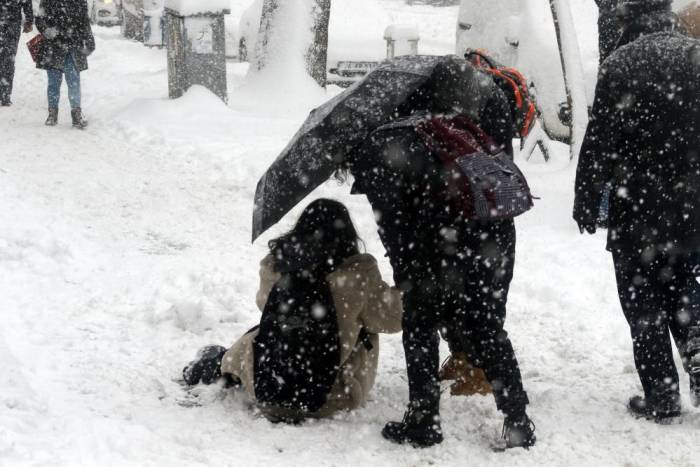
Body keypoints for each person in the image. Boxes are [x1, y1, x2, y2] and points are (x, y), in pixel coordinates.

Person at [345, 57, 535, 449]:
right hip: (486, 241)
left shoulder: (386, 139)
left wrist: (405, 266)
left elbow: (391, 219)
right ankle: (517, 418)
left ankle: (423, 418)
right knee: (486, 326)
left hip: (429, 244)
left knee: (420, 324)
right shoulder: (465, 131)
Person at [574, 0, 700, 422]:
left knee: (643, 301)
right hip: (691, 204)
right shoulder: (697, 57)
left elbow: (599, 141)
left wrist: (587, 199)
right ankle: (698, 348)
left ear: (631, 19)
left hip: (637, 206)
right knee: (684, 285)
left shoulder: (620, 63)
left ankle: (662, 396)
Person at [183, 199, 403, 422]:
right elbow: (395, 320)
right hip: (331, 396)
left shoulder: (278, 265)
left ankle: (220, 366)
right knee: (365, 323)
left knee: (264, 332)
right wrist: (402, 282)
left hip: (269, 387)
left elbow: (263, 303)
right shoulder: (358, 278)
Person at [35, 0, 95, 128]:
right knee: (53, 82)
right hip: (53, 46)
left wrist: (89, 41)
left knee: (73, 80)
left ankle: (76, 113)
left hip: (72, 45)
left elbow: (84, 22)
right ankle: (52, 113)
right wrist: (46, 30)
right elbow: (39, 19)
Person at [0, 0, 33, 106]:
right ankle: (5, 94)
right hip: (12, 22)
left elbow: (26, 2)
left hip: (12, 23)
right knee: (8, 59)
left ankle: (5, 93)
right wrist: (29, 20)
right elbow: (26, 3)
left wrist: (29, 20)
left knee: (8, 59)